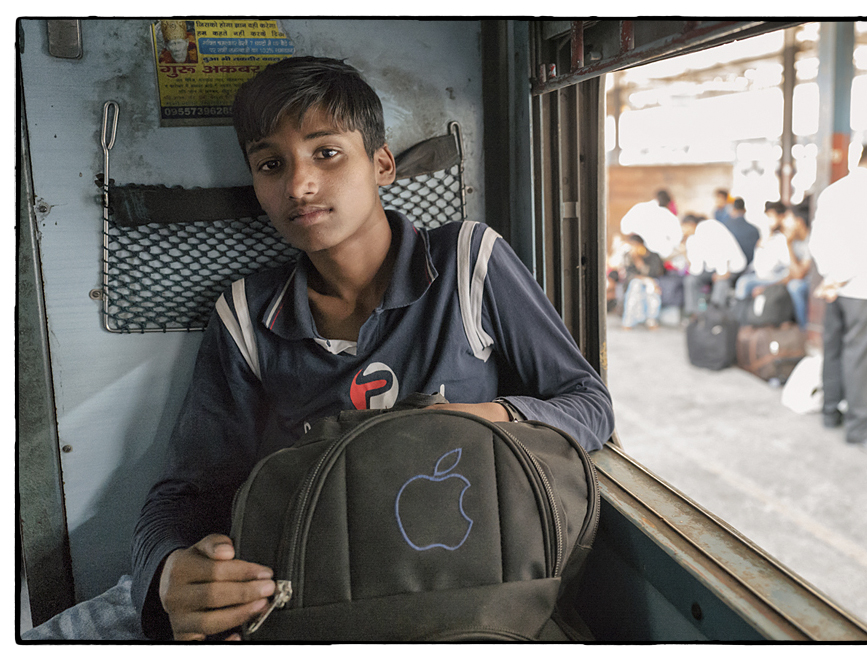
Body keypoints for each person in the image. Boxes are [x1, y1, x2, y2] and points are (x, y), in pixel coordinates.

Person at [27, 56, 615, 641]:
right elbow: (187, 492)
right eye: (270, 164)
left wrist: (481, 418)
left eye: (326, 152)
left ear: (381, 163)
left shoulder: (467, 262)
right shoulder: (247, 315)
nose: (299, 185)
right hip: (299, 585)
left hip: (459, 580)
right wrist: (166, 574)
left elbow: (589, 404)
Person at [808, 143, 867, 447]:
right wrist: (845, 275)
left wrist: (832, 277)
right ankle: (857, 428)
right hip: (865, 289)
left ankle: (829, 412)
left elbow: (818, 241)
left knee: (834, 348)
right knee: (861, 357)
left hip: (835, 289)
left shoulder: (833, 191)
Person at [680, 214, 747, 317]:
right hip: (712, 268)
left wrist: (722, 273)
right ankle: (695, 315)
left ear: (691, 224)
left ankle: (714, 316)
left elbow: (723, 251)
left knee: (721, 283)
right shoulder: (692, 239)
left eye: (684, 227)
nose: (683, 231)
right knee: (691, 280)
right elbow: (696, 268)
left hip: (730, 267)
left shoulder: (709, 227)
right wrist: (685, 251)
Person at [733, 201, 792, 303]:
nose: (768, 220)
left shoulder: (785, 238)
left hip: (775, 277)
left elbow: (785, 265)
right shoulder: (767, 237)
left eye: (771, 216)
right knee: (742, 281)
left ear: (781, 217)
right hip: (760, 275)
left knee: (745, 283)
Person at [619, 234, 662, 330]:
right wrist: (635, 258)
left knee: (650, 288)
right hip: (635, 282)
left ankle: (651, 319)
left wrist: (639, 260)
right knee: (635, 285)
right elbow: (629, 275)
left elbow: (653, 273)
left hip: (652, 281)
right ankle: (628, 321)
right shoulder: (628, 256)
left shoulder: (653, 256)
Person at [723, 197, 761, 266]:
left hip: (732, 269)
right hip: (749, 267)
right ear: (744, 210)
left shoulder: (725, 227)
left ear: (733, 210)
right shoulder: (754, 230)